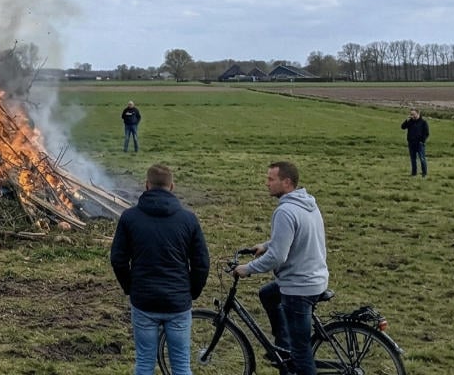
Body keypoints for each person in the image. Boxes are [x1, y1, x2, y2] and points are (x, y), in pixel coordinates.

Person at [111, 163, 210, 375]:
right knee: (182, 365)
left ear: (146, 185)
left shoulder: (129, 217)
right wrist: (191, 292)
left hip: (144, 301)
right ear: (172, 186)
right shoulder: (188, 219)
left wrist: (131, 288)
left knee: (145, 364)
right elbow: (201, 263)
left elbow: (118, 260)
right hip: (177, 302)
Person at [233, 161, 328, 375]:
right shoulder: (307, 203)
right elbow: (292, 237)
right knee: (267, 294)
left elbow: (277, 257)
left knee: (301, 351)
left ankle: (292, 354)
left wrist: (248, 268)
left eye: (270, 179)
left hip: (299, 287)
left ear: (286, 182)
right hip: (315, 277)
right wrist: (265, 245)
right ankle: (283, 349)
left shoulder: (285, 211)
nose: (266, 184)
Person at [400, 108, 429, 177]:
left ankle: (424, 173)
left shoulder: (423, 122)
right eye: (411, 114)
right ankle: (414, 173)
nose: (412, 116)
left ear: (418, 114)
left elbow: (426, 133)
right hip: (411, 143)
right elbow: (403, 127)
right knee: (413, 159)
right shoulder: (410, 121)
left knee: (422, 158)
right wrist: (406, 121)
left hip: (420, 144)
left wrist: (422, 141)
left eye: (413, 114)